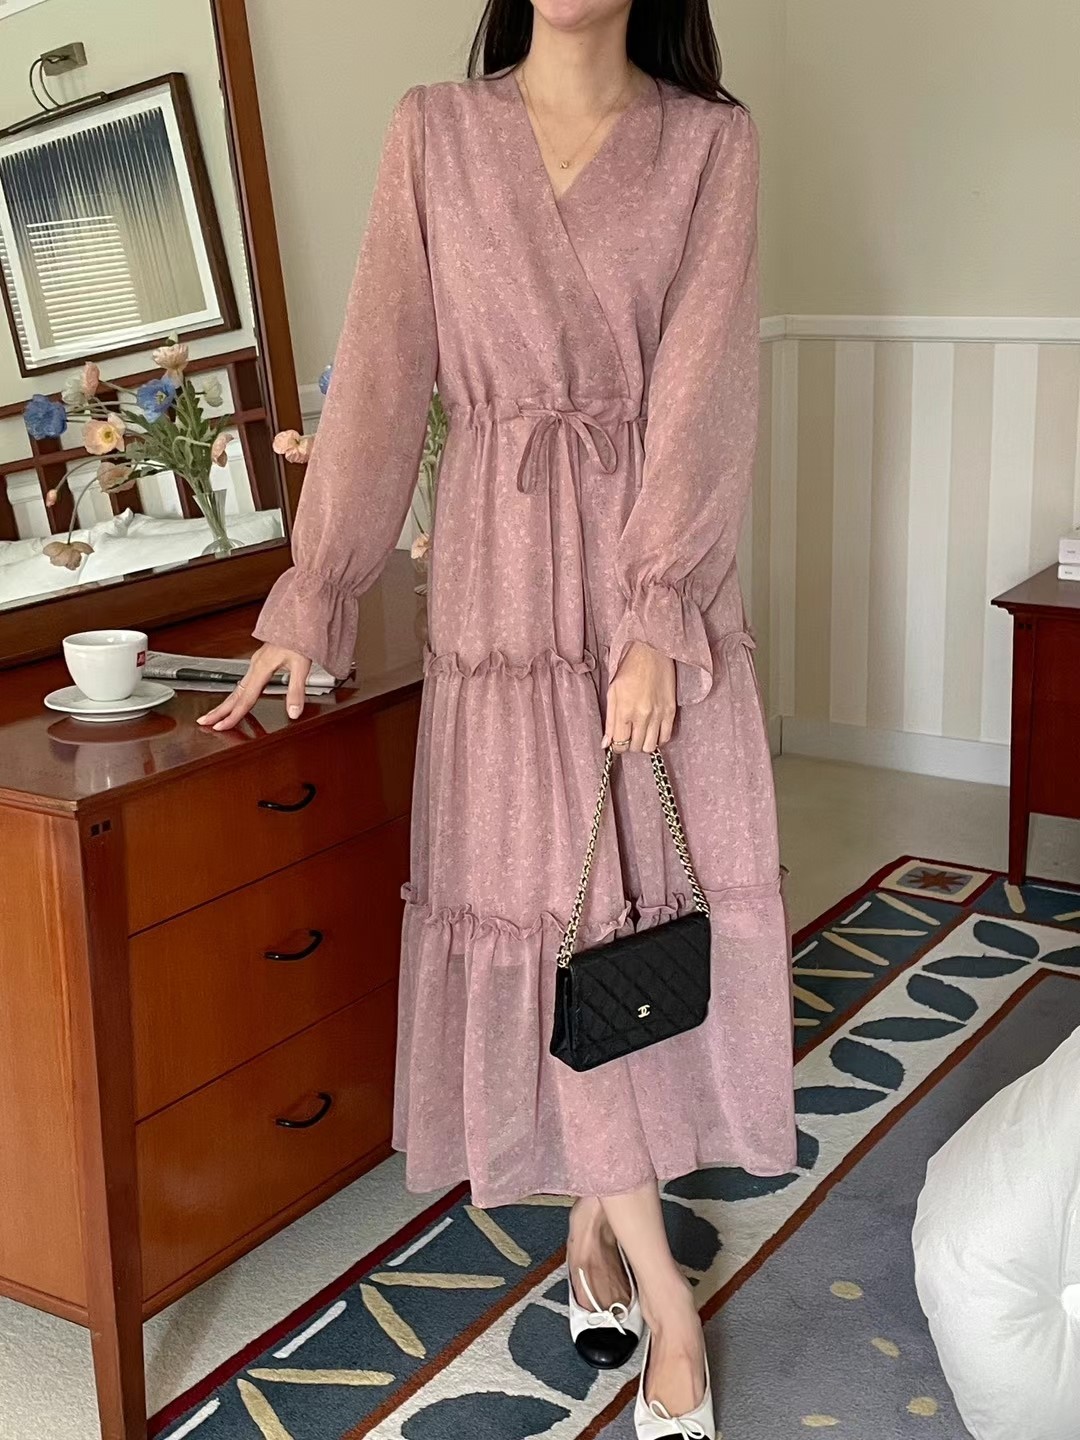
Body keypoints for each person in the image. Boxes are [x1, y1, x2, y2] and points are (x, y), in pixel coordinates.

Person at [198, 1, 796, 1433]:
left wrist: (656, 614)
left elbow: (706, 388)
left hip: (644, 579)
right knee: (549, 918)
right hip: (501, 589)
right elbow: (382, 372)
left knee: (637, 915)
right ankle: (664, 1300)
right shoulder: (436, 134)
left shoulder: (710, 145)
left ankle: (603, 1245)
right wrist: (314, 593)